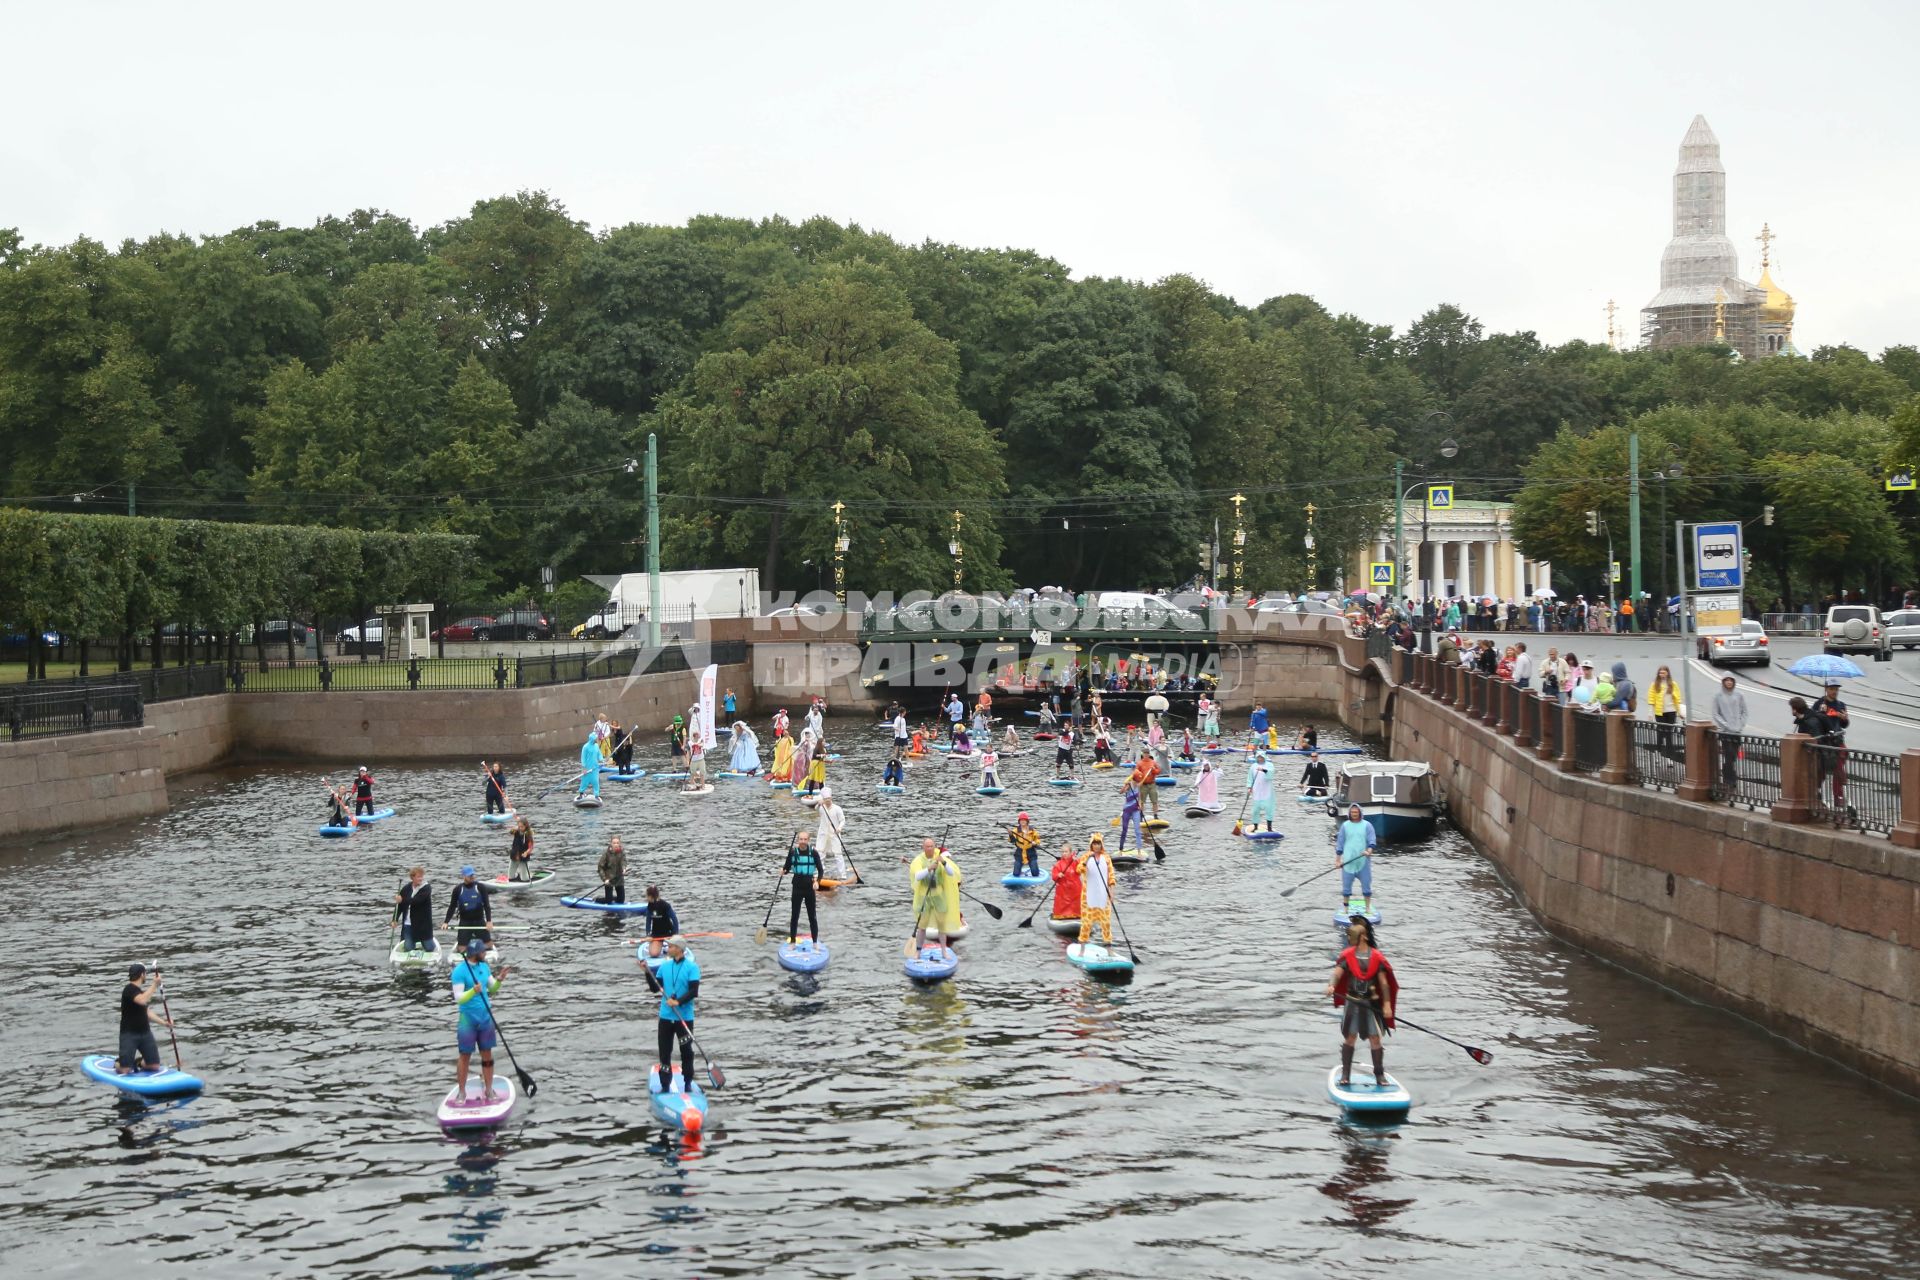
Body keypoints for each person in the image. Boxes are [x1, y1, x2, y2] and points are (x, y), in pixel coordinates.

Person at [1325, 919, 1398, 1088]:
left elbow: (1384, 984)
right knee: (1350, 1037)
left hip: (1370, 1004)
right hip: (1353, 1002)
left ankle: (1379, 1075)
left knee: (1374, 1038)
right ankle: (1345, 1075)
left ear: (1363, 937)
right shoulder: (1348, 956)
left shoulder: (1376, 958)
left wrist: (1386, 1005)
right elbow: (1337, 972)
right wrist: (1331, 985)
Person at [640, 936, 700, 1091]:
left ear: (679, 949)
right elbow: (655, 988)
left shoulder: (692, 967)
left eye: (671, 946)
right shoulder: (664, 966)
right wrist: (647, 972)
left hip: (684, 1018)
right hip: (666, 1017)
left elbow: (694, 991)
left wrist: (678, 1002)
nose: (668, 949)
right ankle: (664, 1085)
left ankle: (687, 1084)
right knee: (664, 1053)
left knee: (686, 1051)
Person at [451, 939, 506, 1105]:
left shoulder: (484, 967)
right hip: (468, 1019)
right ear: (476, 954)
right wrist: (472, 991)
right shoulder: (460, 971)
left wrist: (500, 980)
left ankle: (489, 1089)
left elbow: (492, 988)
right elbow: (459, 998)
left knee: (487, 1055)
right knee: (464, 1055)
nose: (485, 953)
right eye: (483, 951)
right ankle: (461, 1092)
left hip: (485, 1017)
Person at [118, 962, 173, 1074]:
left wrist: (164, 1023)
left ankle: (138, 1062)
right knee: (125, 1070)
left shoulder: (140, 992)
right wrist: (155, 985)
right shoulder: (128, 990)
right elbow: (142, 1000)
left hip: (145, 1033)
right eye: (145, 974)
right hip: (129, 1034)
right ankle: (119, 1062)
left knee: (154, 1066)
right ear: (142, 975)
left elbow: (146, 1012)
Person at [909, 837, 963, 948]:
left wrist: (944, 863)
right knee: (922, 926)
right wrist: (929, 869)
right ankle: (918, 951)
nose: (930, 848)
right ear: (923, 847)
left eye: (931, 846)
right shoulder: (918, 860)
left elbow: (951, 873)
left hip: (939, 896)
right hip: (924, 897)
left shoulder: (940, 858)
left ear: (935, 847)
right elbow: (917, 876)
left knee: (941, 926)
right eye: (927, 846)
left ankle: (943, 950)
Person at [1809, 681, 1852, 814]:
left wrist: (1844, 718)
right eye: (1832, 689)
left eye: (1836, 689)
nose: (1835, 692)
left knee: (1839, 768)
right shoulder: (1819, 704)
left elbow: (1844, 725)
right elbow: (1812, 720)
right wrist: (1821, 713)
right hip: (1823, 741)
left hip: (1837, 741)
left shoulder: (1841, 705)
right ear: (1826, 689)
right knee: (1820, 768)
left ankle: (1838, 797)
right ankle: (1815, 792)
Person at [1332, 804, 1377, 913]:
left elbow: (1372, 841)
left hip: (1363, 861)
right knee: (1346, 888)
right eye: (1352, 813)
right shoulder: (1345, 826)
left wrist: (1369, 851)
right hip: (1348, 862)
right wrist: (1338, 860)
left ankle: (1367, 908)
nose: (1354, 815)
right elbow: (1340, 843)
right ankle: (1346, 909)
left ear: (1360, 813)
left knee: (1366, 886)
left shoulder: (1367, 825)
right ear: (1349, 814)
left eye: (1356, 813)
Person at [1075, 834, 1116, 945]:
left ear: (1101, 845)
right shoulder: (1085, 857)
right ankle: (1082, 943)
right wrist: (1087, 860)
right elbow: (1079, 870)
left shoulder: (1106, 858)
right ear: (1091, 845)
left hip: (1103, 895)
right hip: (1088, 895)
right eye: (1094, 844)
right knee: (1086, 923)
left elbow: (1111, 876)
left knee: (1106, 922)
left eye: (1098, 844)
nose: (1096, 846)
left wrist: (1112, 893)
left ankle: (1108, 944)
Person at [1711, 675, 1748, 794]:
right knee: (1729, 754)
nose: (1728, 683)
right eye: (1726, 680)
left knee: (1733, 756)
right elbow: (1715, 713)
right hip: (1725, 732)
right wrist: (1725, 725)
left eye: (1730, 680)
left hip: (1737, 731)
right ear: (1723, 682)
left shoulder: (1739, 695)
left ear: (1733, 682)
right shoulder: (1718, 696)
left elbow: (1744, 711)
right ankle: (1730, 779)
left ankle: (1727, 771)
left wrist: (1740, 725)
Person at [783, 830, 822, 942]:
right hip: (797, 887)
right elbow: (787, 868)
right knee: (794, 916)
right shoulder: (793, 852)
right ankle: (793, 942)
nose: (803, 841)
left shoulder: (814, 853)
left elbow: (820, 870)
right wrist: (783, 871)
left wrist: (817, 882)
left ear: (808, 840)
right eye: (801, 839)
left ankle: (815, 943)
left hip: (809, 888)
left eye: (805, 839)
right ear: (798, 840)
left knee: (812, 917)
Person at [445, 866, 493, 949]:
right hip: (465, 922)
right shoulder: (457, 889)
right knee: (461, 949)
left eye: (472, 875)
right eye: (469, 875)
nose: (472, 877)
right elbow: (452, 906)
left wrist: (489, 921)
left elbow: (487, 905)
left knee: (488, 946)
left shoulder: (481, 887)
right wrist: (446, 922)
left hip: (479, 921)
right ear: (463, 876)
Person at [393, 866, 436, 950]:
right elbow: (399, 906)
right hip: (408, 924)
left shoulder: (426, 888)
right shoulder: (406, 889)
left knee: (429, 948)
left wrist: (402, 899)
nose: (421, 879)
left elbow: (417, 901)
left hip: (423, 924)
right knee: (408, 948)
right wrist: (395, 919)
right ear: (412, 877)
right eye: (418, 877)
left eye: (421, 876)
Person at [816, 788, 854, 883]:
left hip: (834, 834)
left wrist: (839, 828)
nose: (827, 801)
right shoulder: (821, 808)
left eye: (829, 798)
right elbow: (814, 807)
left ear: (831, 798)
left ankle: (842, 874)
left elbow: (842, 820)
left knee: (838, 854)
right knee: (820, 853)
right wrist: (818, 803)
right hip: (823, 834)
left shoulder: (837, 809)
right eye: (825, 799)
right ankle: (820, 873)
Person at [1648, 665, 1681, 760]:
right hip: (1660, 712)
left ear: (1668, 673)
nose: (1661, 674)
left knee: (1669, 735)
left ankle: (1669, 757)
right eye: (1660, 673)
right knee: (1660, 733)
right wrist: (1650, 713)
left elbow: (1677, 699)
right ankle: (1658, 752)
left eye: (1663, 672)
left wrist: (1679, 713)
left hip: (1671, 712)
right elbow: (1651, 699)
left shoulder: (1673, 684)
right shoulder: (1654, 685)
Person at [1049, 842, 1084, 925]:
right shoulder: (1058, 864)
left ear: (1070, 852)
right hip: (1063, 890)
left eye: (1066, 852)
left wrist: (1078, 861)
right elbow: (1054, 876)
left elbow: (1082, 869)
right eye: (1063, 852)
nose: (1064, 853)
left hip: (1075, 889)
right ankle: (1062, 915)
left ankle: (1077, 914)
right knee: (1062, 903)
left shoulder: (1076, 862)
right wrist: (1058, 875)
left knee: (1076, 902)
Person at [641, 885, 679, 959]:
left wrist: (675, 934)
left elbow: (674, 919)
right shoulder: (649, 906)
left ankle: (667, 947)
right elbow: (648, 921)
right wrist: (648, 935)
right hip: (656, 934)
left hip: (668, 933)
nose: (646, 898)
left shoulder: (665, 905)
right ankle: (663, 946)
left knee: (674, 953)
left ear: (651, 896)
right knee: (653, 954)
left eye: (647, 896)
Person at [1128, 744, 1162, 819]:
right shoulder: (1139, 763)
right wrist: (1136, 784)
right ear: (1142, 754)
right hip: (1143, 785)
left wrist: (1154, 770)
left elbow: (1159, 771)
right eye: (1144, 754)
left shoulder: (1153, 762)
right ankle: (1141, 815)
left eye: (1147, 754)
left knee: (1154, 801)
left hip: (1152, 784)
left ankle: (1155, 816)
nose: (1146, 755)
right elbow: (1135, 774)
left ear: (1149, 754)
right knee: (1142, 802)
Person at [1246, 749, 1276, 832]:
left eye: (1261, 757)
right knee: (1255, 810)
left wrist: (1263, 770)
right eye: (1258, 757)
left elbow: (1271, 774)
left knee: (1269, 809)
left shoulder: (1269, 765)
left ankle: (1269, 828)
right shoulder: (1253, 766)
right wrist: (1249, 787)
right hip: (1257, 791)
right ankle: (1255, 827)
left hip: (1267, 791)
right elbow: (1250, 778)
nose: (1260, 759)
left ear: (1264, 757)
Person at [1117, 782, 1145, 854]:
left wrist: (1140, 805)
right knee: (1124, 830)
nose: (1137, 781)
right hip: (1127, 810)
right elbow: (1121, 792)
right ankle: (1120, 849)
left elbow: (1139, 798)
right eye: (1136, 779)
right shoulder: (1129, 785)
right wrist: (1126, 787)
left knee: (1137, 831)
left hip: (1136, 811)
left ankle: (1139, 851)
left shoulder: (1139, 786)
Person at [597, 836, 627, 904]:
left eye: (617, 843)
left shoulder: (622, 852)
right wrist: (604, 879)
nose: (616, 844)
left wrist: (624, 869)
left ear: (619, 844)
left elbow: (624, 861)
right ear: (611, 844)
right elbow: (600, 867)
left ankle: (613, 898)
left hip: (619, 879)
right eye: (614, 843)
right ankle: (597, 900)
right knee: (608, 901)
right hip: (609, 879)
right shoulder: (606, 853)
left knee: (621, 900)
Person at [507, 816, 535, 882]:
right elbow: (510, 832)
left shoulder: (528, 834)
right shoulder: (516, 831)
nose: (520, 828)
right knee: (510, 877)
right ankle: (517, 876)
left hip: (523, 857)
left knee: (524, 878)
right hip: (514, 855)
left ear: (526, 826)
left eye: (522, 827)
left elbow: (531, 847)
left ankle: (529, 875)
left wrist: (526, 853)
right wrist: (512, 829)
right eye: (519, 826)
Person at [577, 733, 602, 800]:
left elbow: (599, 754)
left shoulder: (596, 746)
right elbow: (583, 758)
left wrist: (602, 759)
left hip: (595, 768)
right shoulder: (585, 747)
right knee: (584, 782)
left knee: (596, 782)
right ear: (592, 739)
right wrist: (584, 768)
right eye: (596, 738)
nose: (597, 739)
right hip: (587, 768)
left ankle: (596, 795)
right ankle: (581, 793)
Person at [803, 729, 827, 795]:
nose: (824, 743)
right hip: (815, 764)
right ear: (820, 742)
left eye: (824, 742)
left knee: (821, 779)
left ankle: (822, 793)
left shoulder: (823, 749)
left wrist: (828, 760)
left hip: (821, 764)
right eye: (823, 742)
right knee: (813, 778)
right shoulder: (816, 748)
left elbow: (824, 757)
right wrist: (821, 755)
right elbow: (815, 755)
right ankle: (810, 793)